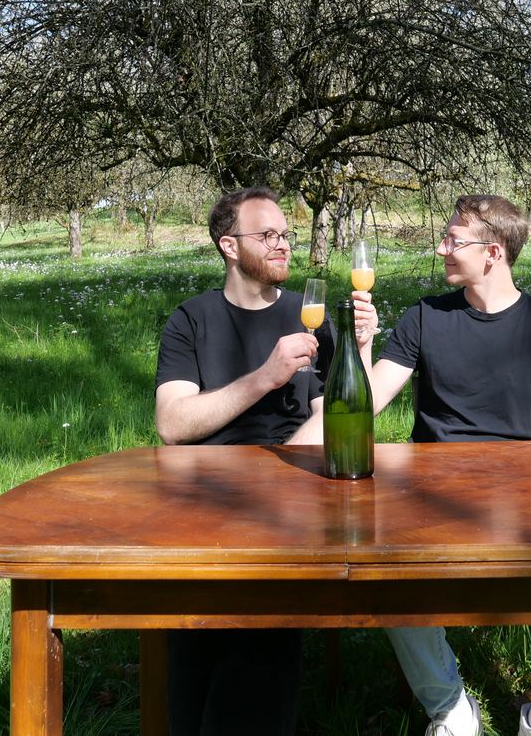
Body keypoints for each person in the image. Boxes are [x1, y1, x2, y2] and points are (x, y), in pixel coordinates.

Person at [293, 194, 531, 736]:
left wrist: (498, 482)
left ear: (493, 252)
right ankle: (450, 709)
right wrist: (362, 346)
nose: (441, 248)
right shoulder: (426, 315)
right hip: (429, 499)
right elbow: (367, 403)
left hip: (526, 493)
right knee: (386, 577)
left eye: (453, 240)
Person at [155, 185, 377, 735]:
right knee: (199, 615)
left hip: (296, 484)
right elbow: (172, 426)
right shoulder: (192, 321)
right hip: (207, 489)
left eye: (285, 234)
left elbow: (342, 413)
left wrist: (360, 349)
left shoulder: (313, 316)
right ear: (229, 246)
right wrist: (267, 377)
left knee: (265, 608)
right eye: (268, 235)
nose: (282, 245)